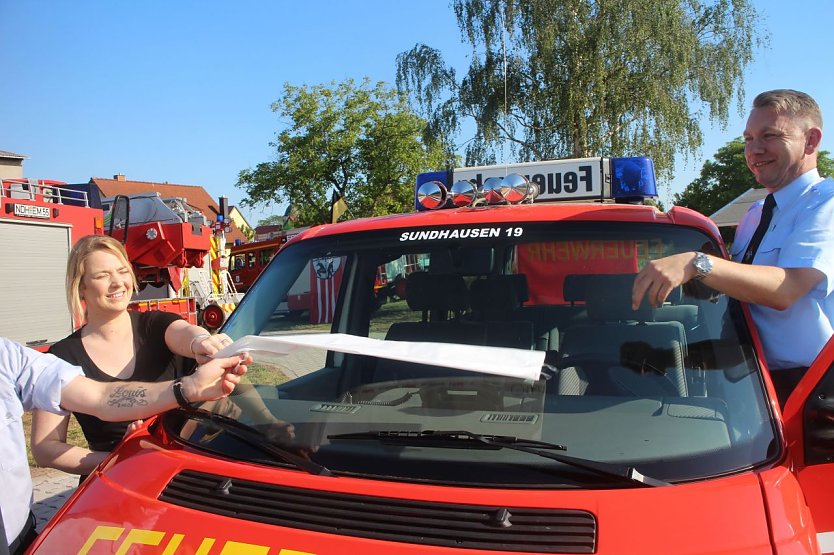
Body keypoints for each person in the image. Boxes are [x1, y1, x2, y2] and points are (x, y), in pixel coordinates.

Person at [632, 89, 834, 407]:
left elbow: (786, 290)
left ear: (810, 140)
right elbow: (739, 300)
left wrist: (697, 263)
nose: (754, 150)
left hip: (809, 392)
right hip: (749, 386)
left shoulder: (826, 203)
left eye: (769, 135)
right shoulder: (755, 215)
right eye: (749, 138)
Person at [0, 336, 250, 555]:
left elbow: (100, 397)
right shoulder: (64, 349)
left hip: (18, 538)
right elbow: (47, 449)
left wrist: (191, 387)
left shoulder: (8, 357)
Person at [30, 235, 234, 481]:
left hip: (182, 473)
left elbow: (186, 333)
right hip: (117, 483)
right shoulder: (61, 357)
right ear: (81, 287)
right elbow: (45, 448)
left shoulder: (156, 325)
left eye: (122, 271)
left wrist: (202, 342)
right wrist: (120, 457)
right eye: (102, 275)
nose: (117, 282)